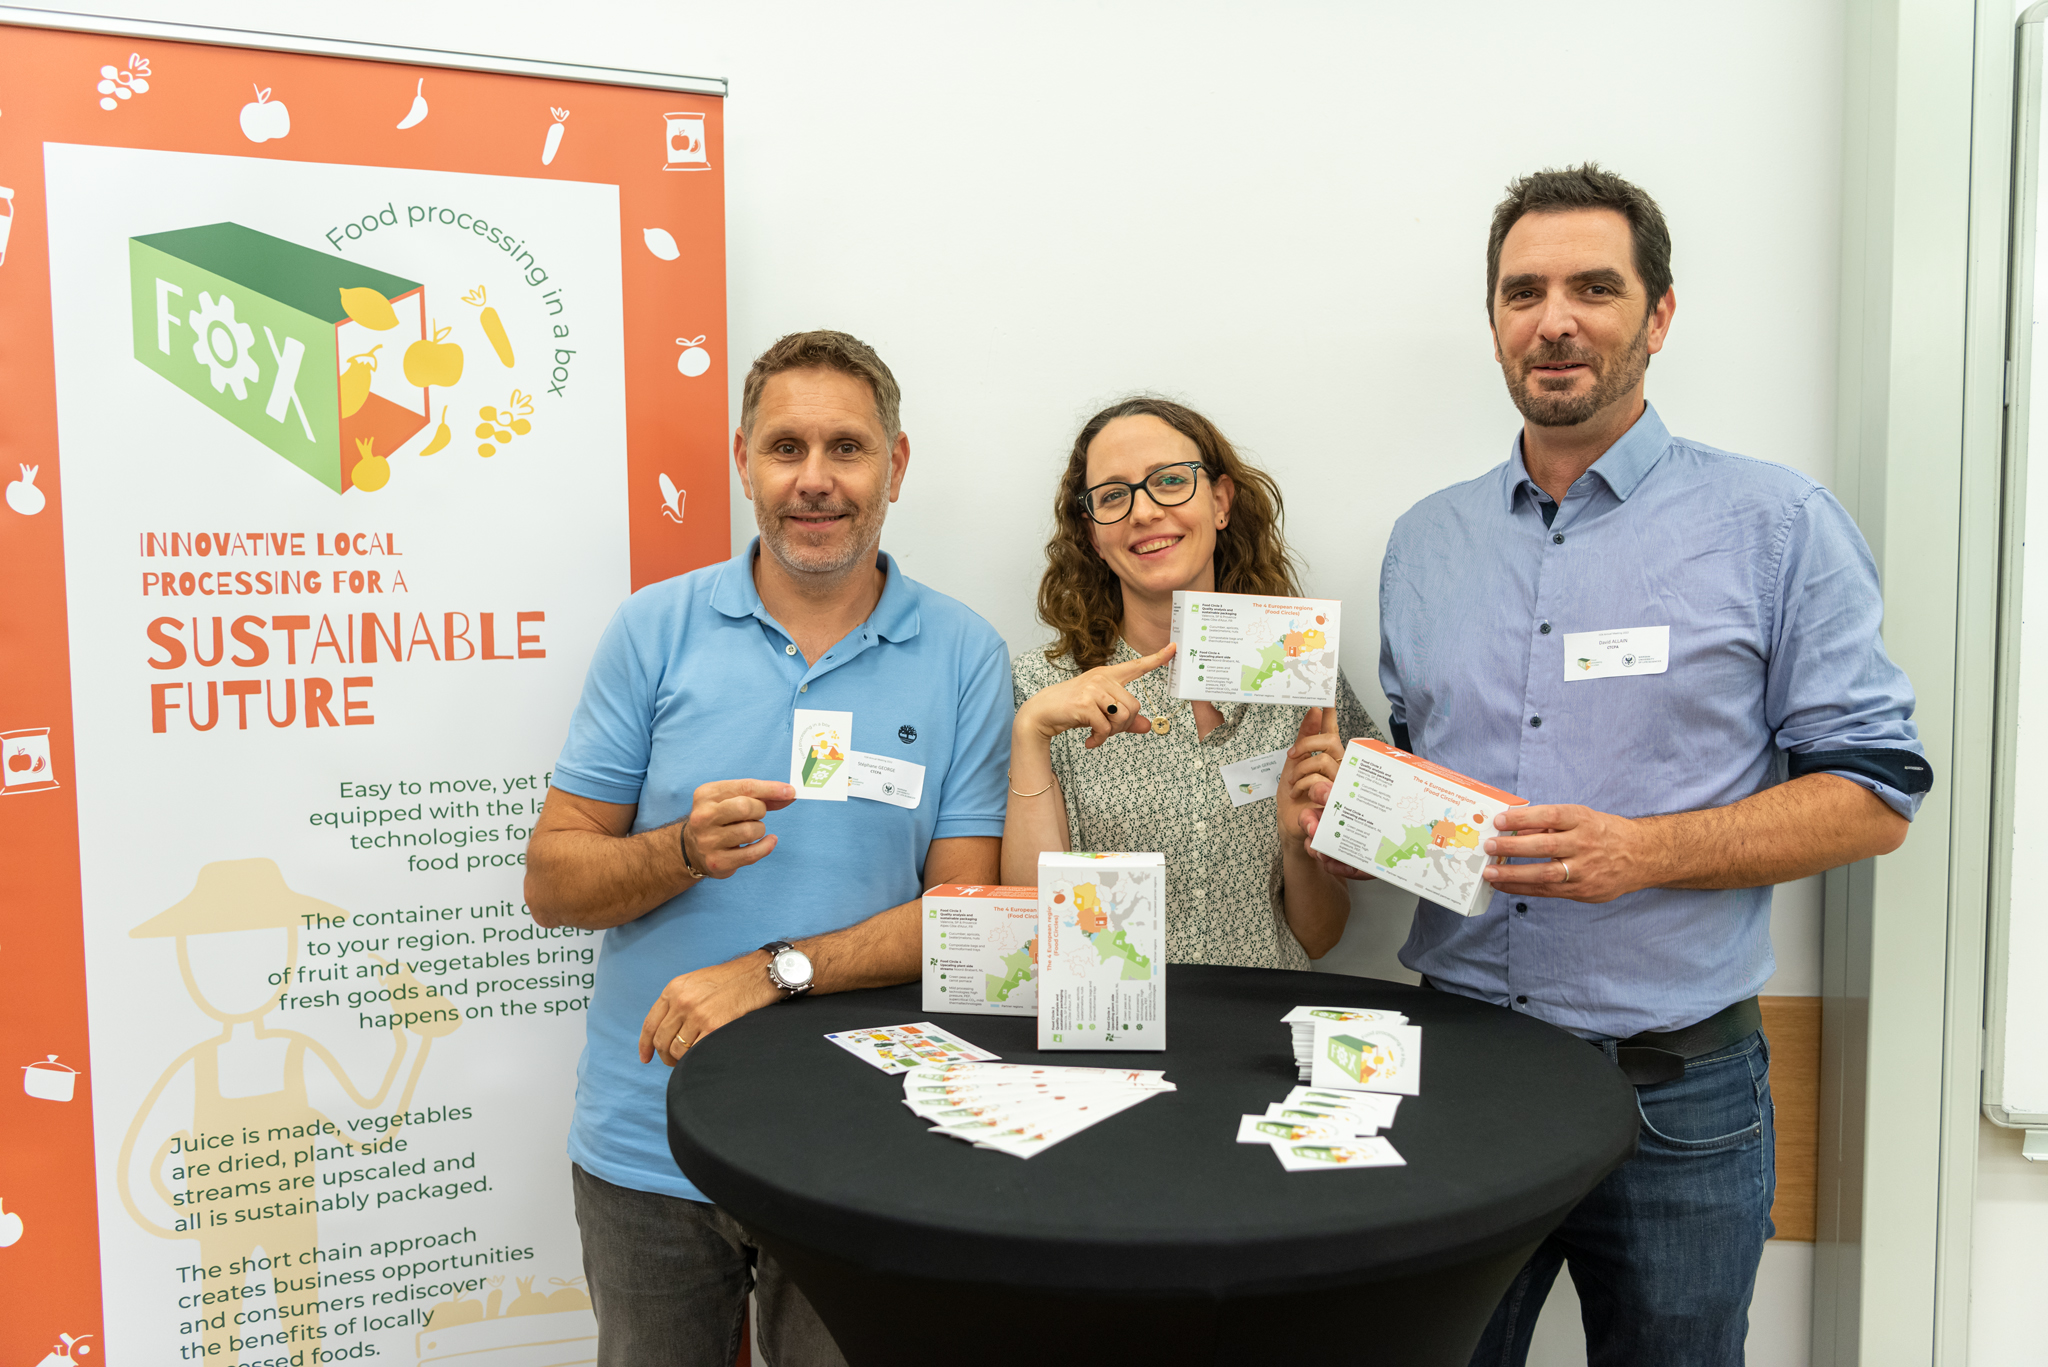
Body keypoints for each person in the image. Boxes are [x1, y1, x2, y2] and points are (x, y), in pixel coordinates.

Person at [1307, 165, 1929, 1366]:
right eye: (1522, 292)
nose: (1554, 320)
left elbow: (1872, 794)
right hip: (1460, 1069)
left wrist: (1642, 851)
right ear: (1493, 320)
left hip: (1675, 1093)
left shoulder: (1776, 524)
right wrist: (1355, 820)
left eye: (1593, 288)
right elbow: (1425, 783)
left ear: (1658, 314)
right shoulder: (1425, 541)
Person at [524, 330, 1010, 1367]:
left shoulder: (966, 651)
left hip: (863, 1140)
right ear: (742, 460)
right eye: (786, 447)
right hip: (650, 1140)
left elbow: (965, 920)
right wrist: (679, 851)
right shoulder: (653, 630)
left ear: (895, 465)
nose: (815, 479)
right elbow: (552, 883)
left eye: (847, 448)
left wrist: (772, 970)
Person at [1005, 396, 1376, 967]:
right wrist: (1030, 732)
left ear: (1221, 502)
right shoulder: (1039, 689)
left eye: (1171, 481)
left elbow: (1319, 939)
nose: (1144, 511)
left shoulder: (1303, 672)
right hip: (1112, 1018)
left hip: (1264, 1014)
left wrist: (1297, 845)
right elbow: (1032, 935)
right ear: (1092, 533)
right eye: (1113, 496)